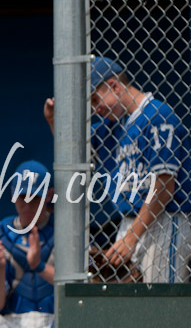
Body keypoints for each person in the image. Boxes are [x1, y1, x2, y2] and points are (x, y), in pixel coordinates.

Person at [44, 56, 191, 283]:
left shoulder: (158, 116)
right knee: (128, 302)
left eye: (96, 99)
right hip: (130, 221)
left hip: (165, 219)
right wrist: (55, 122)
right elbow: (74, 156)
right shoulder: (114, 126)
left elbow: (164, 186)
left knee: (161, 303)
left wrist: (131, 238)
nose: (95, 108)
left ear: (114, 85)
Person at [0, 160, 56, 328]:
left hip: (51, 322)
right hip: (12, 322)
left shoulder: (64, 233)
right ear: (13, 193)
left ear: (48, 195)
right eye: (23, 196)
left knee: (74, 327)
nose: (28, 204)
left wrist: (39, 266)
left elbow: (76, 289)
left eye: (35, 197)